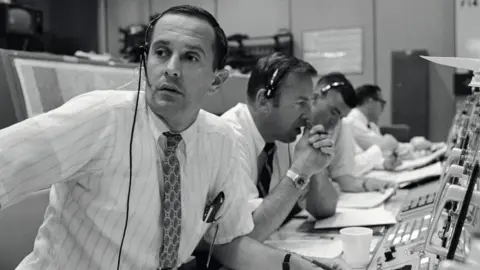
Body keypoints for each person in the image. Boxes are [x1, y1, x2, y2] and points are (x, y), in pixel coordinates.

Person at [0, 5, 331, 270]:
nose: (171, 68)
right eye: (160, 52)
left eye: (190, 57)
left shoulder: (220, 140)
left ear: (217, 81)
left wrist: (294, 265)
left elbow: (228, 241)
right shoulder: (101, 117)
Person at [221, 53, 338, 242]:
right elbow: (245, 236)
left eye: (310, 103)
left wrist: (315, 167)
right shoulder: (227, 137)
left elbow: (324, 210)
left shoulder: (286, 135)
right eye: (300, 104)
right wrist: (300, 170)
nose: (308, 115)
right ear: (263, 101)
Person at [309, 73, 397, 193]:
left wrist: (367, 184)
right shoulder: (291, 130)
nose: (335, 122)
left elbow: (341, 177)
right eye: (333, 112)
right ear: (314, 98)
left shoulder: (341, 126)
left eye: (340, 117)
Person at [346, 84, 433, 159]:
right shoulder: (353, 121)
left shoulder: (370, 123)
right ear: (370, 101)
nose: (382, 108)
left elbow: (390, 147)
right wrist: (413, 146)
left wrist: (414, 146)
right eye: (381, 102)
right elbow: (384, 147)